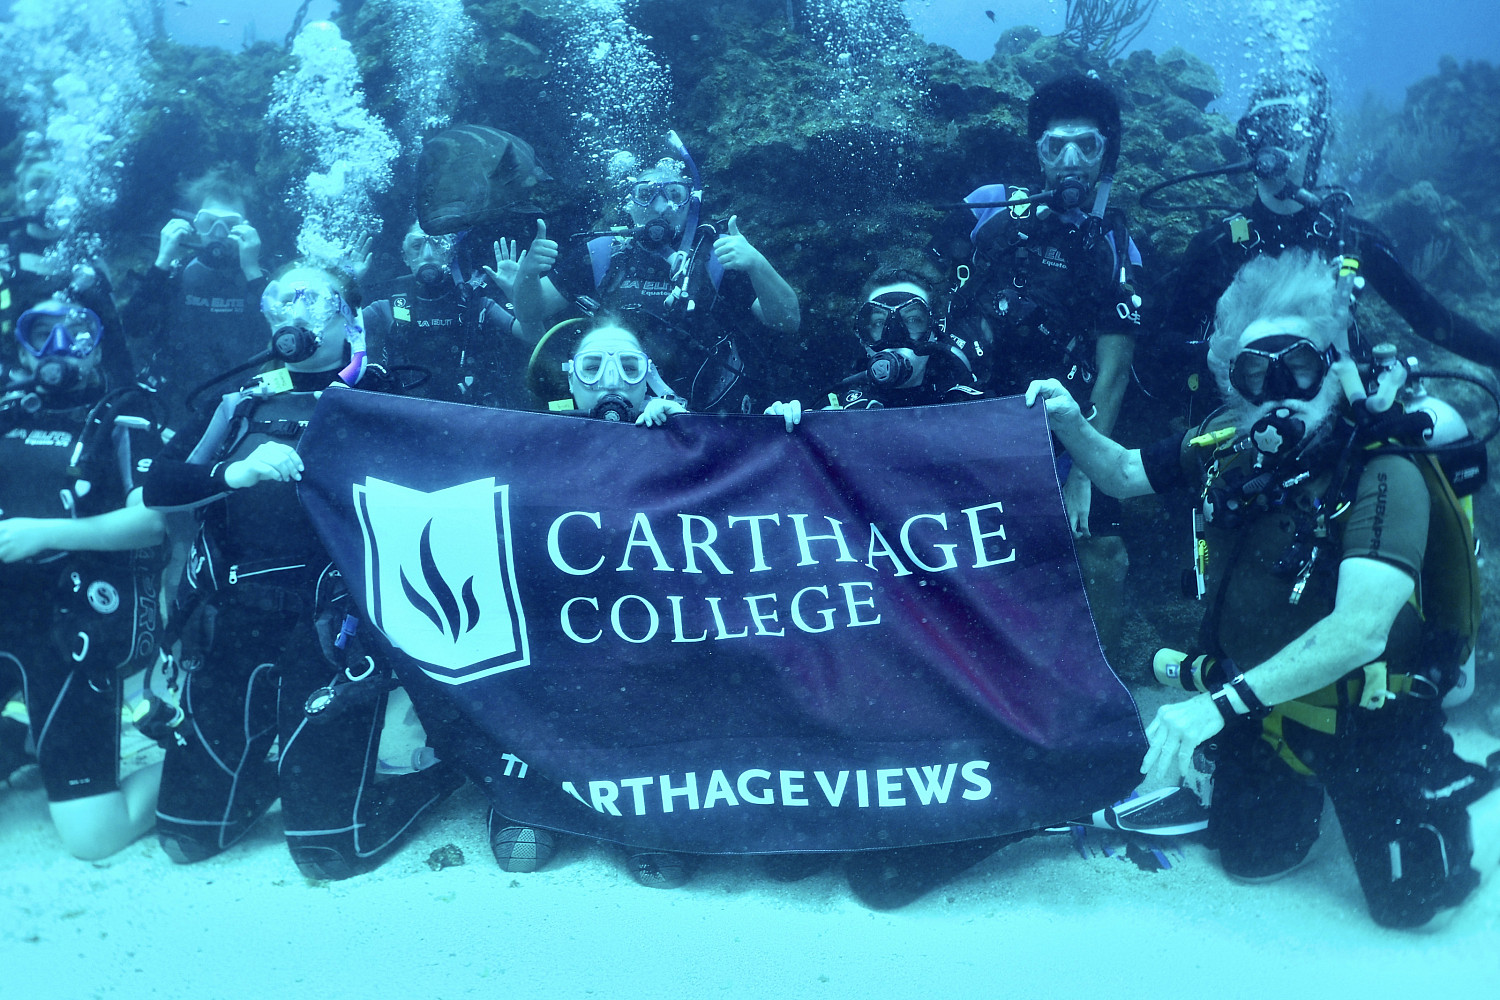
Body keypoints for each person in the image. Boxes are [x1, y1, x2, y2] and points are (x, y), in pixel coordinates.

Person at [1026, 250, 1498, 928]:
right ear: (1233, 379)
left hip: (1367, 715)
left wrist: (1213, 708)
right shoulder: (1228, 443)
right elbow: (1124, 474)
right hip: (1264, 709)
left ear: (1334, 367)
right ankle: (1289, 784)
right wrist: (1072, 423)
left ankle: (1415, 781)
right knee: (1250, 860)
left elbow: (1361, 629)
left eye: (1297, 365)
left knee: (1411, 906)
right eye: (1255, 371)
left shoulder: (1380, 468)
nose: (1277, 389)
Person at [142, 260, 462, 879]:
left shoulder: (391, 400)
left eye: (315, 299)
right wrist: (232, 473)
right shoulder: (240, 404)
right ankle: (270, 775)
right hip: (233, 624)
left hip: (335, 631)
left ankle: (438, 774)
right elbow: (158, 486)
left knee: (329, 854)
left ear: (350, 317)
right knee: (185, 839)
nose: (295, 312)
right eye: (281, 300)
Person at [1149, 65, 1500, 416]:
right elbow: (1164, 345)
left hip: (1342, 410)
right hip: (1244, 417)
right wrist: (1210, 354)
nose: (1272, 147)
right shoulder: (1217, 245)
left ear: (1315, 143)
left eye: (1287, 131)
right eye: (1261, 131)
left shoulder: (1351, 238)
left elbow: (1432, 321)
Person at [932, 71, 1142, 655]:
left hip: (1052, 439)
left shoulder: (1115, 247)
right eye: (1055, 146)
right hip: (959, 417)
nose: (1070, 161)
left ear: (1106, 154)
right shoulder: (989, 207)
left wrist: (1085, 475)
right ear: (1038, 153)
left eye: (1087, 146)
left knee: (1077, 559)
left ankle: (1073, 673)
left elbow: (1114, 371)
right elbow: (920, 287)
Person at [484, 319, 687, 887]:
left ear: (650, 378)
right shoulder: (523, 440)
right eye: (593, 368)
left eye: (629, 366)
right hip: (558, 637)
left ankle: (651, 811)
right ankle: (535, 796)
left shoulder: (683, 435)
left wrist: (684, 435)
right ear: (570, 380)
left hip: (654, 638)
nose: (611, 381)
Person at [0, 290, 167, 860]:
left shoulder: (123, 418)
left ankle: (212, 752)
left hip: (68, 628)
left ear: (97, 348)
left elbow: (151, 523)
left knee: (96, 838)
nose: (57, 348)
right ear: (22, 349)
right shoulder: (8, 410)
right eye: (40, 334)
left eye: (75, 335)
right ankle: (24, 736)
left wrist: (45, 533)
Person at [511, 136, 802, 414]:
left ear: (690, 203)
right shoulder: (602, 253)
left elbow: (788, 320)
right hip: (620, 409)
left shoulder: (714, 255)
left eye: (674, 194)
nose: (660, 206)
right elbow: (531, 312)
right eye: (645, 194)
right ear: (629, 204)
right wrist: (528, 274)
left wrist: (757, 264)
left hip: (708, 415)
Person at [121, 166, 269, 419]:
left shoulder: (259, 276)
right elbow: (135, 326)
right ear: (195, 224)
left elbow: (279, 335)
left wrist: (252, 270)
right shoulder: (175, 272)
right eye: (209, 223)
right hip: (174, 400)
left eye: (230, 225)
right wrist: (162, 262)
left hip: (243, 401)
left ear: (248, 228)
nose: (219, 234)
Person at [360, 223, 531, 408]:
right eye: (417, 246)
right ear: (405, 256)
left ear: (450, 253)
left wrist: (517, 294)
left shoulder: (476, 304)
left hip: (466, 413)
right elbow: (339, 335)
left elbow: (532, 335)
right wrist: (347, 281)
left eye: (437, 244)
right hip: (404, 411)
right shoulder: (387, 308)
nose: (427, 254)